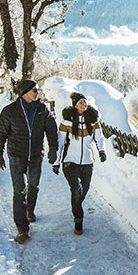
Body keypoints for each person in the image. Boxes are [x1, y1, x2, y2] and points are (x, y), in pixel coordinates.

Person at [0, 79, 58, 243]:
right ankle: (22, 228)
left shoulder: (41, 109)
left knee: (33, 185)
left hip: (36, 155)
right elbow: (1, 133)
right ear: (25, 93)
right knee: (19, 190)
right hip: (16, 154)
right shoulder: (10, 111)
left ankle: (30, 210)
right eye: (35, 91)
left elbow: (51, 128)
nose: (38, 93)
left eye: (37, 90)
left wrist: (53, 149)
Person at [51, 91, 106, 235]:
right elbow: (60, 143)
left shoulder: (93, 121)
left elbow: (99, 138)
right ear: (75, 105)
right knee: (76, 189)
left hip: (87, 162)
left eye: (85, 101)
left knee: (84, 189)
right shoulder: (66, 122)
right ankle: (78, 220)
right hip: (70, 162)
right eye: (81, 102)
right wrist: (56, 162)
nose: (84, 104)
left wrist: (102, 151)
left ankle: (76, 206)